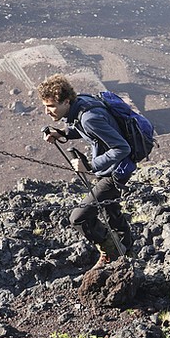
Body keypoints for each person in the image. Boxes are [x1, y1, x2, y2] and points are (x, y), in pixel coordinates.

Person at [37, 74, 135, 267]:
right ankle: (127, 253)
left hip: (115, 172)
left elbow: (122, 148)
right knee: (110, 210)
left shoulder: (88, 117)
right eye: (45, 106)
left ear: (66, 101)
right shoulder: (82, 103)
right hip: (113, 169)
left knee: (78, 218)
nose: (47, 111)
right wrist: (63, 132)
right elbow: (87, 130)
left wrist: (89, 166)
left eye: (51, 106)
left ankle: (112, 253)